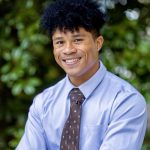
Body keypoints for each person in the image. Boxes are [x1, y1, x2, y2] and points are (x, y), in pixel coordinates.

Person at [16, 0, 147, 149]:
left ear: (98, 43)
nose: (68, 50)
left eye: (77, 40)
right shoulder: (43, 103)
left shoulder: (125, 101)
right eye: (60, 42)